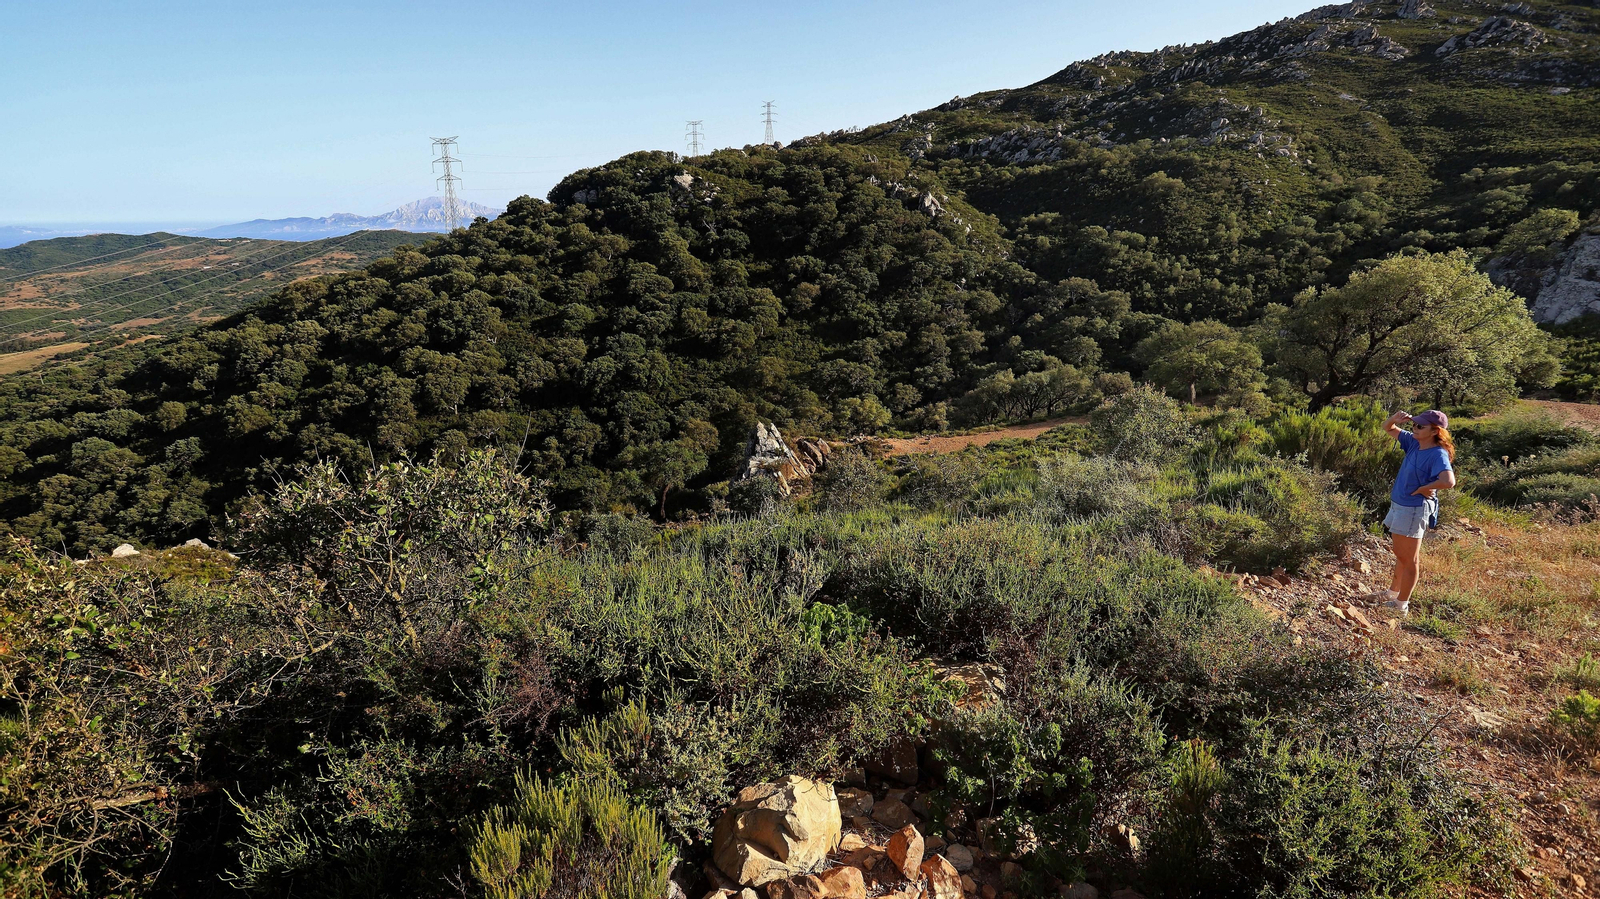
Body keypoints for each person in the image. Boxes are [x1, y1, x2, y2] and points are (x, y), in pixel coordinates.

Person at [1371, 409, 1457, 617]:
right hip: (1401, 505)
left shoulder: (1437, 453)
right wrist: (1396, 418)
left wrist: (1423, 488)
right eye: (1414, 424)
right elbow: (1388, 428)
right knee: (1402, 555)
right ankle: (1393, 592)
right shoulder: (1414, 442)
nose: (1414, 428)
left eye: (1420, 426)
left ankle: (1401, 606)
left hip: (1413, 508)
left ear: (1435, 431)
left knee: (1409, 559)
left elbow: (1448, 481)